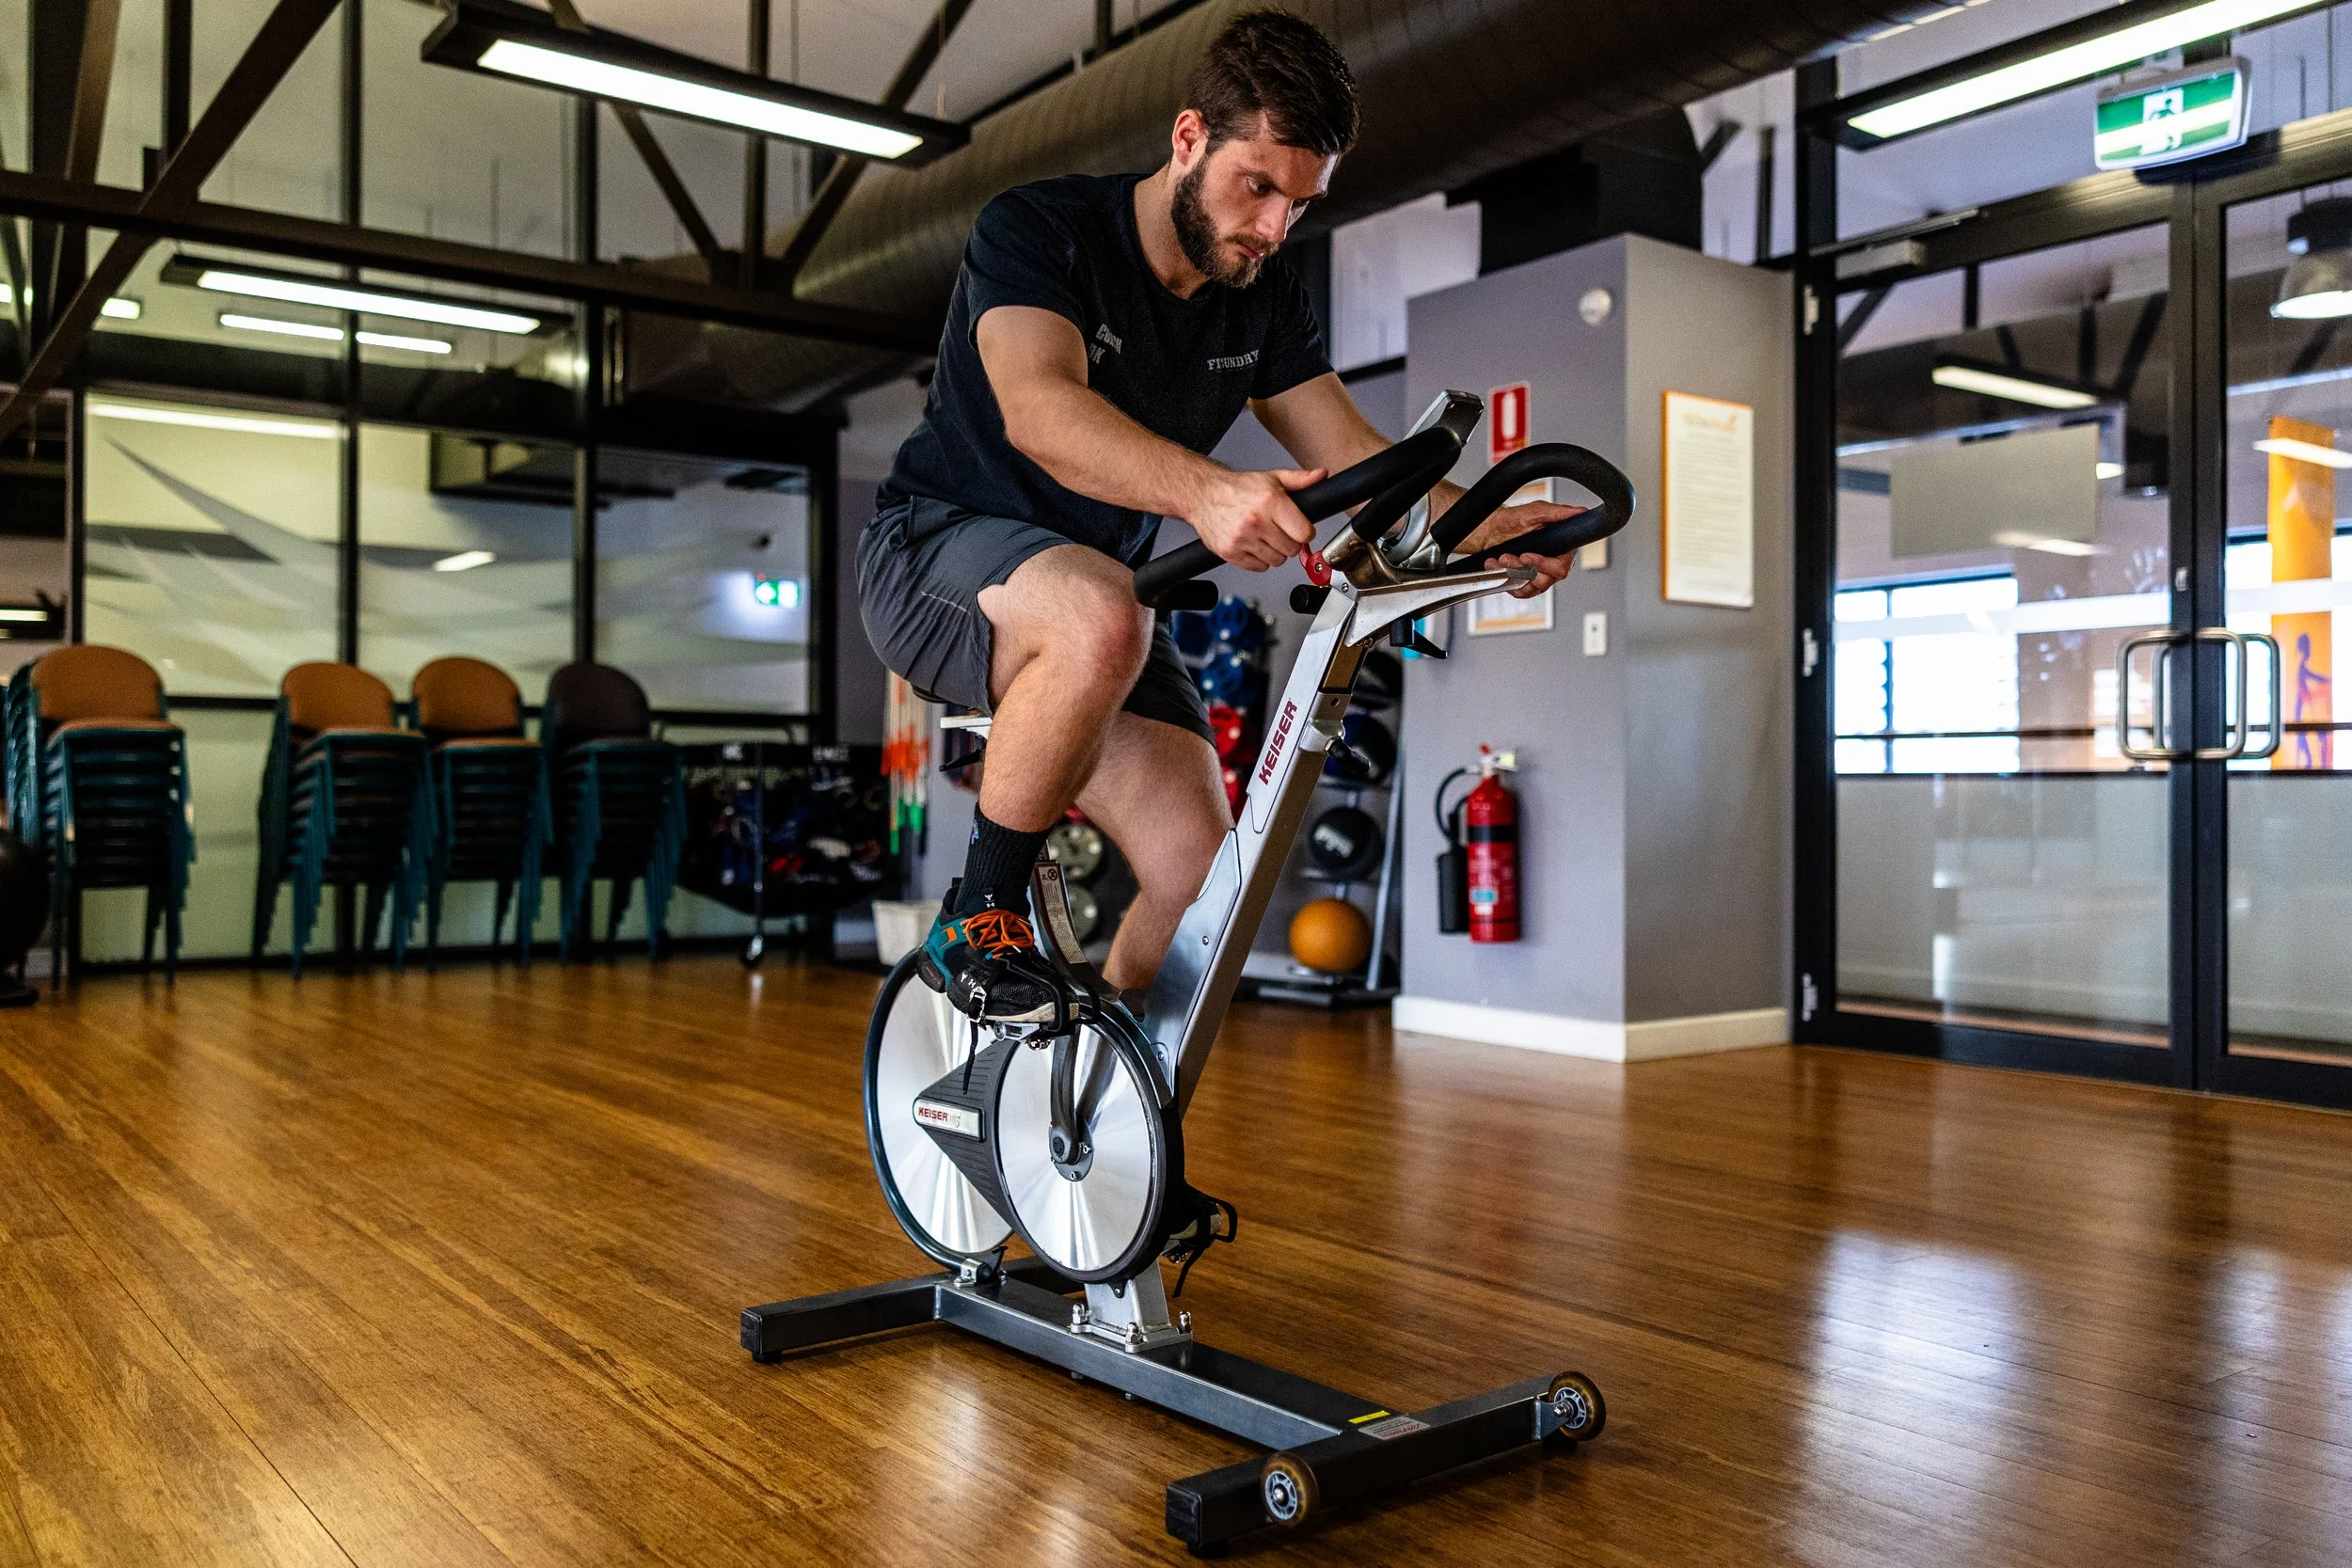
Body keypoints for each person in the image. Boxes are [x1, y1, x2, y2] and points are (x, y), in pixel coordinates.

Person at [861, 10, 1582, 1022]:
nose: (1274, 226)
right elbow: (1038, 410)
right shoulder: (1040, 228)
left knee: (1205, 880)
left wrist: (1480, 522)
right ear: (1189, 137)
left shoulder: (1261, 297)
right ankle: (976, 917)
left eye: (1300, 202)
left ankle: (1101, 1115)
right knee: (1105, 612)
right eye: (1258, 186)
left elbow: (1355, 457)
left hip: (1099, 598)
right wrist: (1207, 490)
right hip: (933, 554)